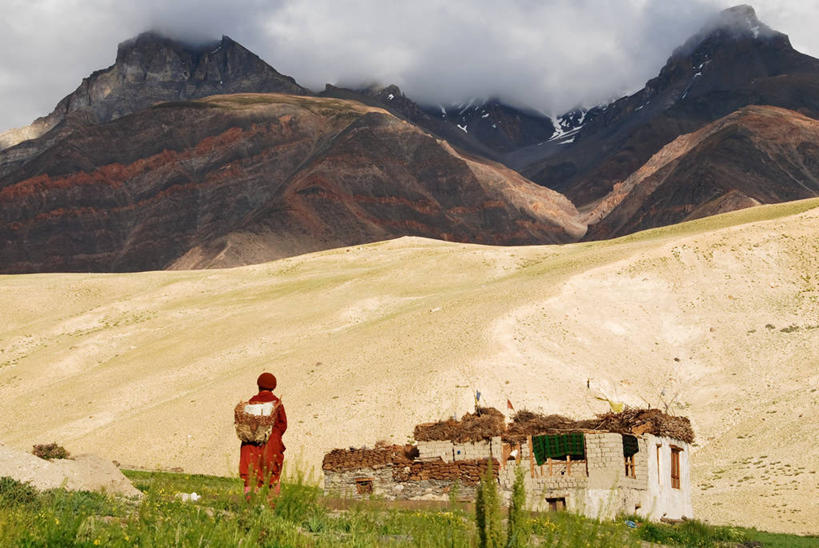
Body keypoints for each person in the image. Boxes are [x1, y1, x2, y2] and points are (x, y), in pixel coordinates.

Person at [238, 372, 287, 499]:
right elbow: (283, 425)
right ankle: (271, 509)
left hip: (250, 446)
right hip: (271, 445)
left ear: (258, 385)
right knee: (271, 476)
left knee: (251, 476)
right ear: (273, 386)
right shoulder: (276, 404)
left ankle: (250, 507)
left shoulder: (251, 403)